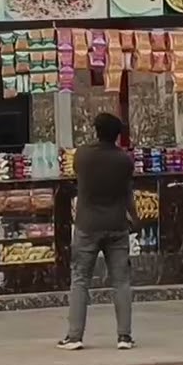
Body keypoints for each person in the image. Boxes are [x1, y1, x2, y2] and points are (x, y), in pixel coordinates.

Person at [58, 112, 135, 351]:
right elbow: (127, 193)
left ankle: (74, 337)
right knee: (121, 282)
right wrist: (136, 218)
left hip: (87, 226)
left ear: (96, 130)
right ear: (117, 135)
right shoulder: (125, 160)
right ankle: (124, 337)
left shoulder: (83, 155)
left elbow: (77, 175)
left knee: (80, 280)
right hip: (117, 226)